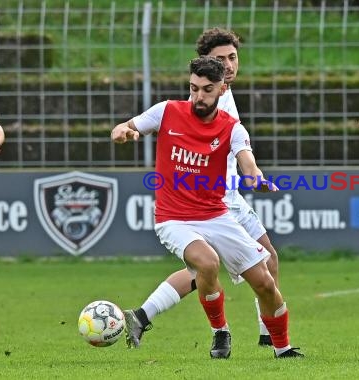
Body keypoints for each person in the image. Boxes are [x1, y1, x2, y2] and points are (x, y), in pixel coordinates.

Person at [111, 56, 303, 359]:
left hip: (216, 215)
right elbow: (127, 126)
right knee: (208, 262)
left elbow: (247, 162)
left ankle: (283, 349)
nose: (199, 96)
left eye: (207, 90)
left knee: (265, 282)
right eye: (194, 88)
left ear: (222, 90)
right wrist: (123, 131)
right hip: (173, 218)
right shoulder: (167, 111)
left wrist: (256, 178)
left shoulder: (232, 128)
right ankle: (220, 331)